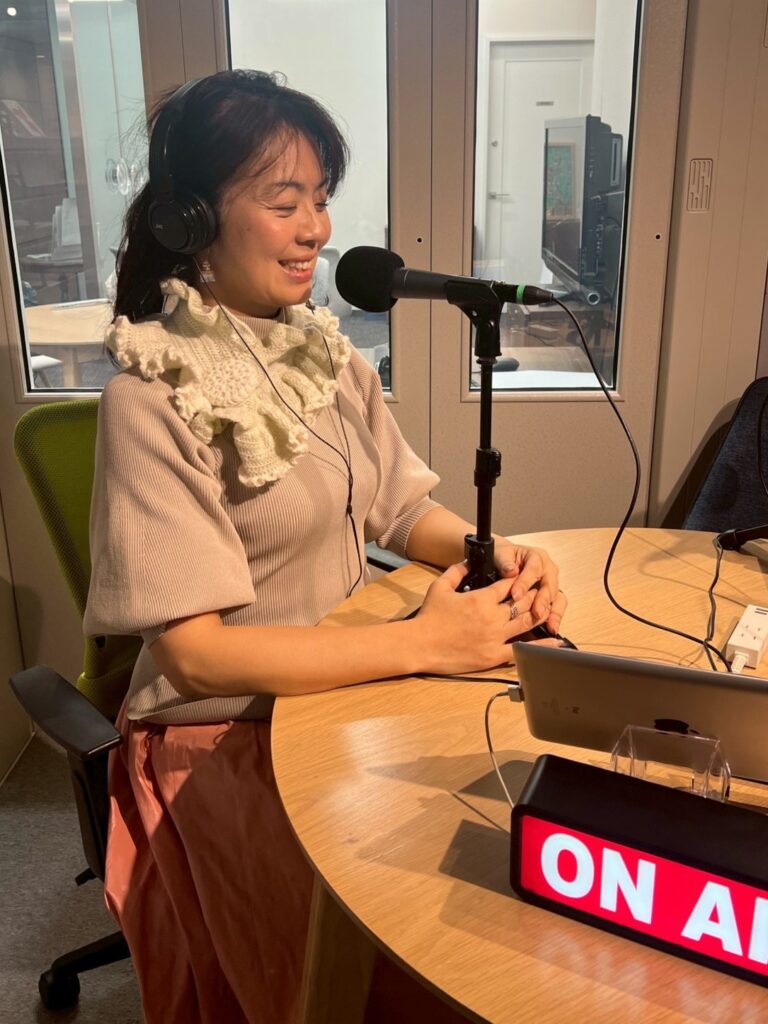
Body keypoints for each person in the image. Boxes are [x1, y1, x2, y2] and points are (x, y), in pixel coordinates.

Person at [84, 69, 568, 1024]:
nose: (315, 229)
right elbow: (195, 656)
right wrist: (422, 643)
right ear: (192, 218)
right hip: (221, 738)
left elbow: (398, 509)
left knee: (489, 869)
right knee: (362, 971)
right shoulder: (150, 395)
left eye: (321, 199)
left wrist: (493, 550)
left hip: (343, 689)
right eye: (283, 202)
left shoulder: (325, 355)